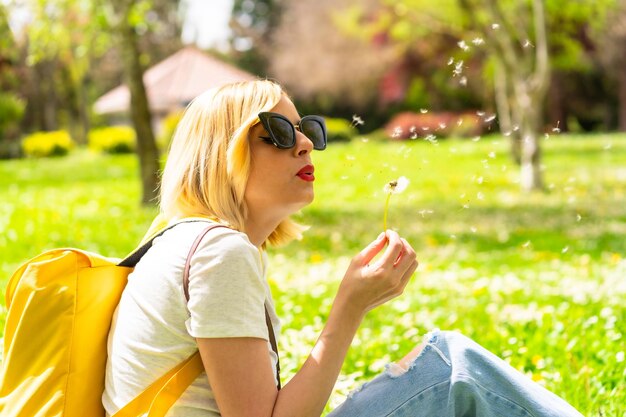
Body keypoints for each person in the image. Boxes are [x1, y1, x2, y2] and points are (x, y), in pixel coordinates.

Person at [102, 79, 583, 417]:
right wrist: (348, 309)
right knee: (450, 367)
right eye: (279, 131)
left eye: (307, 130)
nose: (305, 146)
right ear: (222, 153)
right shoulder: (218, 254)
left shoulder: (181, 243)